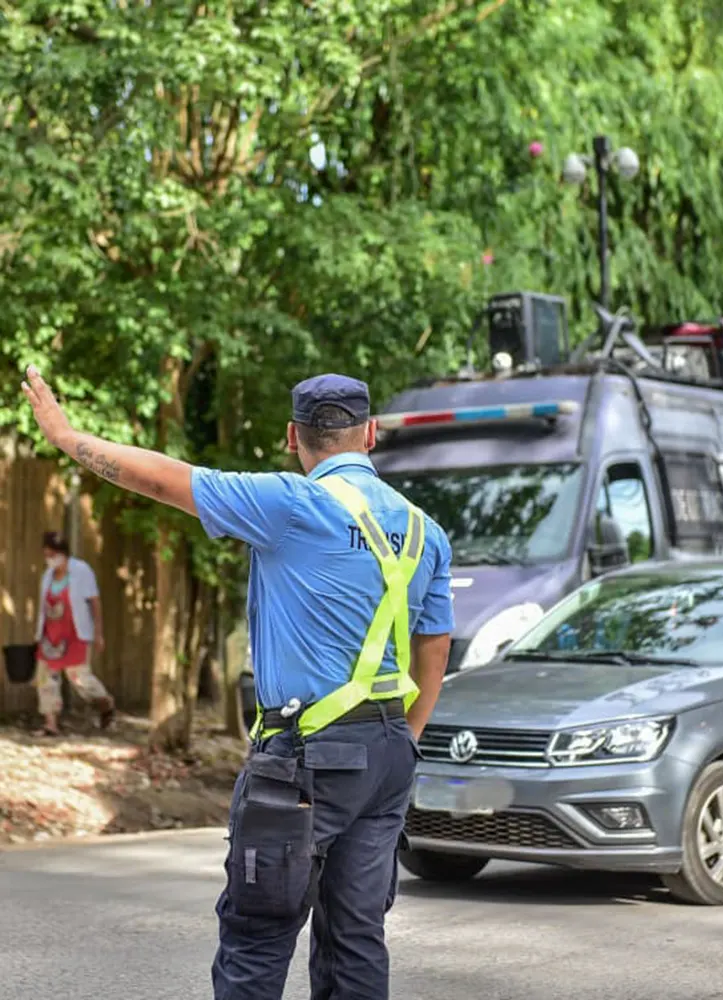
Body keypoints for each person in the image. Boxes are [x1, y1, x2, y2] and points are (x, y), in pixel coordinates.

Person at [22, 364, 453, 1000]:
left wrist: (66, 437)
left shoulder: (290, 503)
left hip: (308, 756)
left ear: (292, 436)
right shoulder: (424, 530)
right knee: (356, 940)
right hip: (386, 757)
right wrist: (404, 739)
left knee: (257, 938)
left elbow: (163, 477)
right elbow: (433, 647)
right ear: (371, 435)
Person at [34, 530, 114, 736]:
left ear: (63, 553)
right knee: (45, 679)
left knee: (79, 678)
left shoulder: (81, 571)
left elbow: (95, 603)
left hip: (75, 634)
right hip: (50, 635)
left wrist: (99, 633)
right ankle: (50, 724)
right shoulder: (47, 575)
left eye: (52, 554)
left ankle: (104, 702)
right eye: (46, 555)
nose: (49, 559)